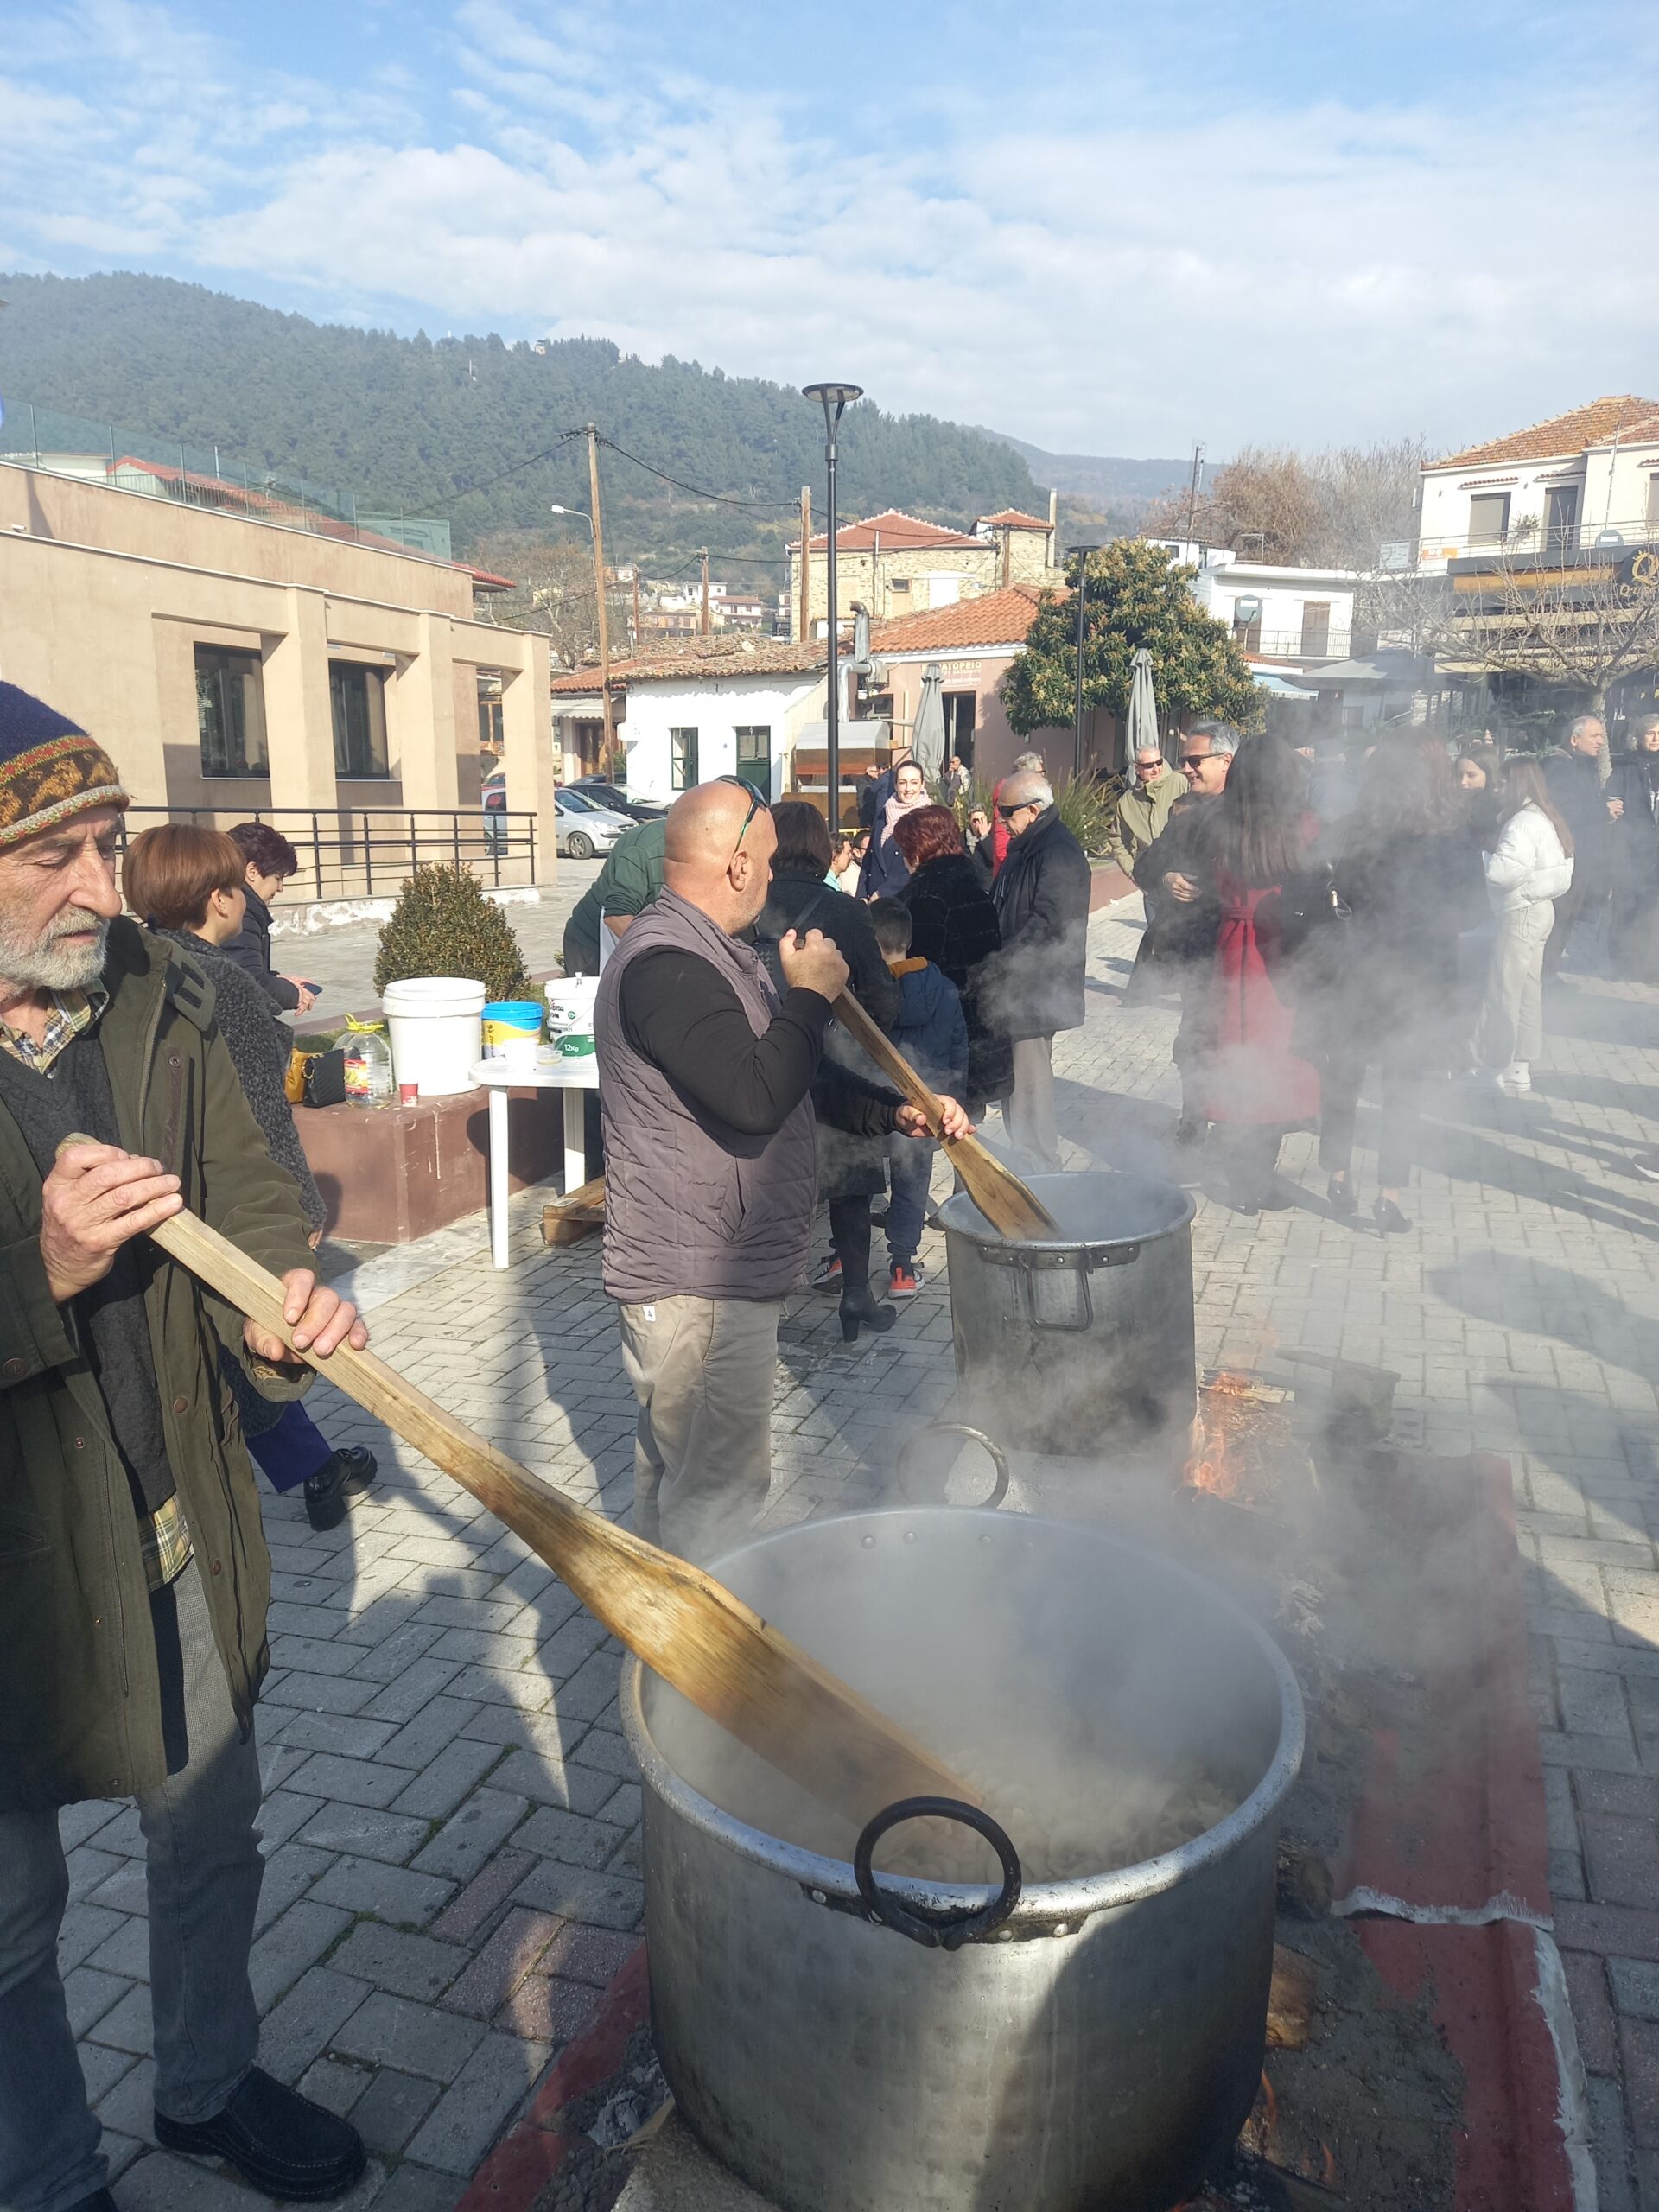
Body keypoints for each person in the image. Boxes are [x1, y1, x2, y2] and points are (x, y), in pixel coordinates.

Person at [0, 682, 371, 2209]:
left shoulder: (156, 988)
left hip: (175, 1507)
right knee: (12, 1925)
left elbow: (249, 1191)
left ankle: (207, 2086)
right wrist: (43, 1276)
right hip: (14, 1569)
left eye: (108, 840)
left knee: (213, 1835)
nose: (98, 887)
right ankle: (49, 2174)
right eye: (49, 857)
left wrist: (278, 1299)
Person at [594, 779, 966, 1562]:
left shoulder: (719, 955)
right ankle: (702, 1671)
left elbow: (793, 1081)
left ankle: (667, 1652)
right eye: (763, 863)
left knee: (687, 1481)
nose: (775, 880)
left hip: (719, 1272)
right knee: (714, 1496)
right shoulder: (666, 964)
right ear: (735, 866)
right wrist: (811, 998)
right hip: (697, 1282)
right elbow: (756, 1096)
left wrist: (894, 1108)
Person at [124, 823, 378, 1529]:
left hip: (154, 1201)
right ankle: (312, 1470)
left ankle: (310, 1464)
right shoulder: (223, 984)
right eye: (237, 887)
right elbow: (261, 1107)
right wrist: (299, 1200)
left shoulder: (131, 972)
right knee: (247, 1338)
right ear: (220, 899)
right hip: (226, 1198)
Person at [1316, 734, 1482, 1235]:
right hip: (1421, 976)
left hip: (1357, 970)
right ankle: (1389, 1196)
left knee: (1343, 1076)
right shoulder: (1454, 833)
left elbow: (1333, 887)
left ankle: (1339, 1178)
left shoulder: (1355, 828)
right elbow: (1473, 911)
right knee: (1403, 1088)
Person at [751, 801, 904, 1342]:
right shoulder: (842, 912)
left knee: (764, 1190)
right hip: (835, 1062)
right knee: (851, 1185)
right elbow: (882, 1001)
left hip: (762, 1061)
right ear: (822, 848)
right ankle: (856, 1296)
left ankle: (760, 1310)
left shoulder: (747, 905)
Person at [1200, 732, 1320, 1213]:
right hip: (1281, 951)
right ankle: (1259, 1179)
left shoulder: (1219, 825)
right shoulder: (1305, 826)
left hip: (1233, 950)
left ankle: (1242, 1181)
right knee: (1275, 1063)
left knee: (1237, 1061)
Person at [1133, 722, 1239, 1145]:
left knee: (1232, 1043)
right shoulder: (1185, 812)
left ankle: (1234, 1124)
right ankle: (1193, 1120)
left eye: (1195, 761)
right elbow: (1146, 866)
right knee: (1194, 1039)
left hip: (1239, 947)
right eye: (1185, 762)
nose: (1187, 769)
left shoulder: (1250, 812)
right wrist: (1167, 877)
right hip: (1196, 953)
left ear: (1226, 761)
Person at [987, 770, 1091, 1171]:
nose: (1003, 822)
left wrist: (1002, 963)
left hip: (1035, 988)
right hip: (1016, 983)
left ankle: (1042, 1168)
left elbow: (1051, 924)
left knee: (1029, 1083)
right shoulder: (1026, 846)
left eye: (1008, 813)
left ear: (1033, 810)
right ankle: (1026, 1159)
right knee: (1016, 1082)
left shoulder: (1057, 850)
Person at [869, 898, 968, 1297]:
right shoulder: (942, 989)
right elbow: (959, 1047)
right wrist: (951, 1101)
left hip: (874, 1107)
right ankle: (902, 1269)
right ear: (908, 940)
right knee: (912, 1185)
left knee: (860, 1182)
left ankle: (846, 1254)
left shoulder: (865, 993)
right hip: (926, 1107)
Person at [893, 804, 1010, 1114]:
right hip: (984, 1021)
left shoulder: (924, 899)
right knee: (968, 1123)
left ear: (918, 850)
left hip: (941, 1034)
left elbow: (919, 970)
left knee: (935, 1121)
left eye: (905, 848)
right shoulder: (974, 887)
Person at [1475, 760, 1574, 1095]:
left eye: (1502, 783)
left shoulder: (1521, 823)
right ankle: (1521, 1066)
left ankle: (1493, 1067)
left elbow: (1505, 872)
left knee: (1503, 991)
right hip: (1541, 910)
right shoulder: (1545, 818)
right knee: (1530, 989)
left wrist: (1482, 858)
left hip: (1519, 912)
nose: (1496, 789)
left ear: (1516, 784)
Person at [226, 820, 315, 1014]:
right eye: (278, 878)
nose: (280, 888)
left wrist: (280, 981)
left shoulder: (242, 907)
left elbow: (244, 969)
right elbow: (250, 985)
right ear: (252, 871)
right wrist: (294, 994)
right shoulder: (240, 912)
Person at [1542, 714, 1609, 974]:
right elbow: (1565, 811)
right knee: (1558, 919)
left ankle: (1549, 972)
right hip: (1564, 858)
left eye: (1601, 736)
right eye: (1595, 736)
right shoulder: (1558, 767)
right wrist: (1602, 812)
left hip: (1579, 859)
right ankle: (1543, 975)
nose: (1601, 742)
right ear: (1574, 739)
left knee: (1567, 920)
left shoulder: (1580, 766)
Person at [562, 814, 668, 976]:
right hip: (592, 942)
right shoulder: (645, 847)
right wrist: (664, 960)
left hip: (642, 939)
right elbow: (617, 917)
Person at [1605, 713, 1659, 978]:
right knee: (1626, 906)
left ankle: (1646, 964)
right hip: (1631, 849)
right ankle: (1621, 963)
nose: (1657, 738)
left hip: (1656, 852)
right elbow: (1613, 800)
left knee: (1651, 911)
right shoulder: (1626, 768)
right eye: (1650, 733)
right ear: (1638, 737)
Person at [1106, 744, 1185, 881]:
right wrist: (1133, 872)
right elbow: (1117, 839)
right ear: (1137, 768)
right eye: (1149, 765)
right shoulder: (1127, 801)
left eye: (1159, 762)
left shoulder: (1181, 782)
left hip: (1182, 871)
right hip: (1151, 877)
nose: (1156, 769)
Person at [859, 757, 930, 898]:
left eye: (914, 782)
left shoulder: (929, 819)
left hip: (907, 901)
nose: (908, 789)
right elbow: (869, 859)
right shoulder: (883, 814)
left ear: (922, 785)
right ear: (895, 785)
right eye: (903, 783)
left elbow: (924, 868)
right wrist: (861, 896)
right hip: (874, 904)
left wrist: (883, 893)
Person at [989, 748, 1047, 873]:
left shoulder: (1030, 799)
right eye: (1040, 772)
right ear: (1027, 776)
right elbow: (1002, 849)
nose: (1044, 776)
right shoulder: (1007, 800)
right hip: (1010, 876)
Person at [965, 806, 995, 885]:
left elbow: (994, 858)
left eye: (982, 819)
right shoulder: (962, 838)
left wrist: (985, 837)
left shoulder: (994, 835)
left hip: (988, 885)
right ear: (969, 821)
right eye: (975, 820)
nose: (979, 824)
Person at [827, 830, 861, 895]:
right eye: (848, 853)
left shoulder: (833, 883)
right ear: (835, 856)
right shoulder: (828, 886)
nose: (851, 857)